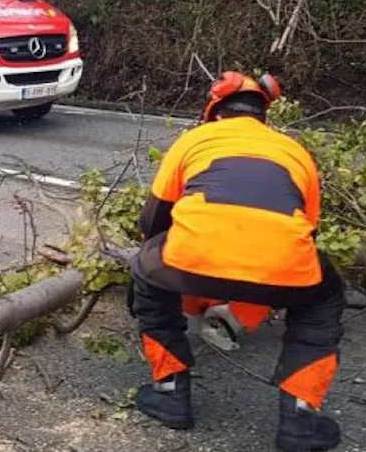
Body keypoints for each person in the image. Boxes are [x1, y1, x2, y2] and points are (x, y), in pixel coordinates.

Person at [129, 71, 346, 452]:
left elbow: (153, 220)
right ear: (265, 115)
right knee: (322, 296)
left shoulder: (194, 140)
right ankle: (300, 415)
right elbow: (306, 233)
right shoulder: (294, 151)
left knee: (148, 270)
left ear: (214, 110)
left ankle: (170, 389)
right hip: (282, 265)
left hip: (191, 259)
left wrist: (194, 282)